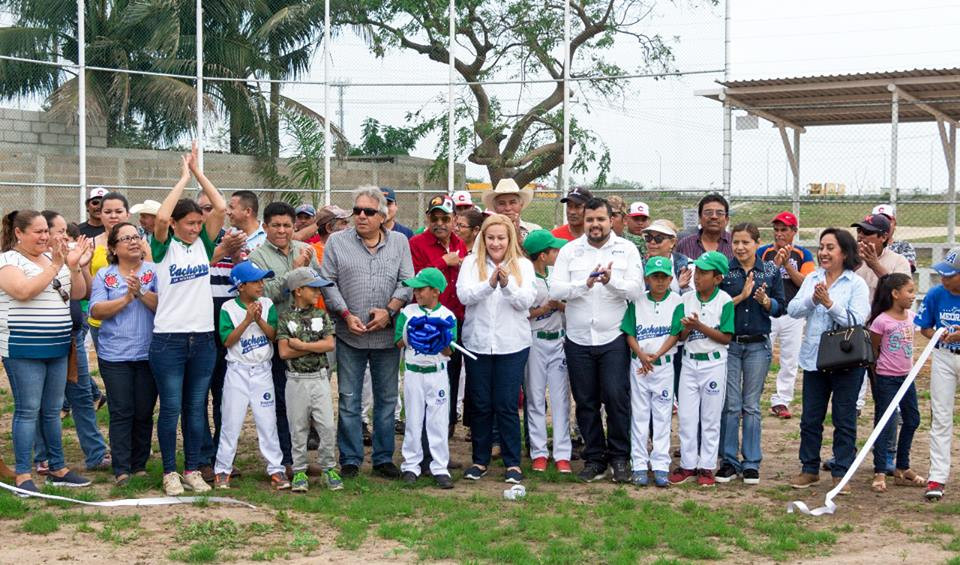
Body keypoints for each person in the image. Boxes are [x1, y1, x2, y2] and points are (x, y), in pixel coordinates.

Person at [320, 185, 414, 479]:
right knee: (349, 398)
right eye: (357, 210)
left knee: (386, 400)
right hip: (350, 335)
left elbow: (408, 282)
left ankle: (384, 458)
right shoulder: (337, 242)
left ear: (383, 216)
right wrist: (346, 315)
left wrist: (390, 310)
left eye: (368, 212)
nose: (361, 216)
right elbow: (327, 282)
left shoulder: (399, 242)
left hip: (387, 337)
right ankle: (349, 458)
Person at [149, 143, 226, 496]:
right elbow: (162, 218)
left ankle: (193, 468)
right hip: (169, 340)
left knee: (196, 407)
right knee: (172, 408)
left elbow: (221, 207)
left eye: (199, 223)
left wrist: (197, 172)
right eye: (190, 223)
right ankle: (169, 472)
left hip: (203, 339)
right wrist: (181, 178)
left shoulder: (203, 246)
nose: (196, 228)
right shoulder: (163, 246)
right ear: (177, 224)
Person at [549, 198, 643, 483]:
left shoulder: (626, 250)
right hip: (578, 338)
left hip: (613, 336)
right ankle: (594, 458)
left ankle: (619, 457)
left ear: (611, 219)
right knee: (585, 401)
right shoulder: (570, 250)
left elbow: (636, 290)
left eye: (600, 219)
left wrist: (611, 281)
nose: (595, 225)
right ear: (584, 221)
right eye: (590, 220)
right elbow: (556, 288)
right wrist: (584, 284)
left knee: (616, 397)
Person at [0, 210, 92, 493]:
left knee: (52, 411)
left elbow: (78, 293)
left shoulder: (55, 260)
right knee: (28, 411)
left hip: (58, 346)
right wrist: (56, 265)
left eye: (46, 231)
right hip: (23, 348)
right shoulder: (8, 261)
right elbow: (23, 291)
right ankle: (23, 476)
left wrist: (74, 267)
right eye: (38, 232)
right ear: (19, 233)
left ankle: (58, 467)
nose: (45, 237)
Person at [457, 214, 537, 484]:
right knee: (480, 403)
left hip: (512, 344)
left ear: (509, 238)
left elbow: (526, 300)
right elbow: (464, 295)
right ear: (483, 238)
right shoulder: (470, 263)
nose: (495, 242)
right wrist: (489, 284)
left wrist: (505, 285)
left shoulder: (523, 266)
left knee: (506, 404)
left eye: (501, 237)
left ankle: (513, 463)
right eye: (490, 237)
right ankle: (479, 460)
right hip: (478, 343)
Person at [788, 228, 870, 494]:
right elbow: (793, 309)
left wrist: (830, 304)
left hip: (846, 360)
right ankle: (809, 468)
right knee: (810, 417)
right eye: (822, 247)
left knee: (844, 418)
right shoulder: (812, 278)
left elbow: (858, 320)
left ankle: (841, 472)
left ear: (844, 253)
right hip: (814, 359)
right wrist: (813, 300)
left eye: (830, 248)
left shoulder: (855, 284)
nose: (823, 252)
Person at [32, 211, 110, 476]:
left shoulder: (67, 259)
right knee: (45, 402)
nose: (65, 235)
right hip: (47, 339)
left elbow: (84, 291)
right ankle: (43, 458)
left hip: (73, 336)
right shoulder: (37, 263)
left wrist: (81, 265)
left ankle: (96, 454)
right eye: (59, 230)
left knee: (82, 398)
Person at [249, 201, 320, 471]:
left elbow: (316, 288)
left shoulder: (306, 250)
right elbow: (265, 294)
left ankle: (302, 459)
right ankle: (286, 460)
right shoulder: (258, 258)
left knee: (306, 403)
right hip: (277, 338)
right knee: (282, 401)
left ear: (295, 226)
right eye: (276, 225)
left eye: (287, 225)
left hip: (307, 337)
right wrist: (294, 273)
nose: (282, 230)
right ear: (265, 227)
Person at [89, 222, 158, 485]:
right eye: (125, 238)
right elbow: (96, 310)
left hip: (149, 354)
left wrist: (140, 292)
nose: (133, 241)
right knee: (121, 410)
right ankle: (121, 468)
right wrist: (126, 298)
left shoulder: (154, 272)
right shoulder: (105, 275)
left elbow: (163, 305)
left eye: (136, 236)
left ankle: (139, 464)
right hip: (114, 354)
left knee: (144, 410)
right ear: (114, 248)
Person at [716, 223, 785, 486]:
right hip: (731, 344)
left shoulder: (769, 270)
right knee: (731, 404)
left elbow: (781, 307)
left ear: (757, 243)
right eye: (736, 243)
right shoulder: (726, 271)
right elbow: (715, 307)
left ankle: (752, 462)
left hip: (758, 345)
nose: (740, 248)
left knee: (751, 405)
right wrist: (741, 296)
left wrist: (767, 302)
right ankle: (729, 460)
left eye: (746, 242)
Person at [207, 190, 266, 475]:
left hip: (257, 325)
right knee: (217, 390)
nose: (227, 212)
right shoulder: (223, 238)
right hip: (219, 316)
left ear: (248, 210)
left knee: (235, 395)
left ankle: (271, 460)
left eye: (232, 207)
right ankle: (215, 458)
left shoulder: (263, 241)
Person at [213, 261, 286, 490]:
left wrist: (259, 319)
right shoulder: (228, 308)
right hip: (237, 370)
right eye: (255, 281)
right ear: (241, 286)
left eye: (262, 280)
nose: (261, 285)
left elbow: (273, 335)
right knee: (231, 421)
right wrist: (246, 320)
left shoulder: (267, 304)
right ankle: (222, 469)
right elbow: (227, 341)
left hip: (262, 370)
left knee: (267, 422)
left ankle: (276, 468)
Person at [669, 251, 734, 487]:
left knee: (710, 417)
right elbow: (680, 336)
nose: (698, 278)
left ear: (717, 278)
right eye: (698, 272)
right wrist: (687, 328)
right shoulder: (685, 299)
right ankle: (688, 464)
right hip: (689, 361)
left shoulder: (724, 300)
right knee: (686, 416)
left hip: (714, 362)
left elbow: (725, 337)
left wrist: (699, 325)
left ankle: (706, 466)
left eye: (705, 274)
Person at [277, 267, 340, 492]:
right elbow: (284, 352)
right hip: (295, 380)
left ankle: (328, 467)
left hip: (319, 378)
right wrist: (315, 348)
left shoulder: (321, 315)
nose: (318, 293)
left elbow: (329, 344)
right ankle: (300, 470)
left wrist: (302, 346)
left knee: (327, 425)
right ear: (298, 290)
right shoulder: (285, 318)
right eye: (313, 289)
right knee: (298, 426)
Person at [621, 256, 682, 488]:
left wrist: (655, 356)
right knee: (639, 415)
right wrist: (642, 354)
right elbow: (629, 332)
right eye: (655, 277)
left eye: (664, 277)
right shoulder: (637, 301)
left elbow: (675, 333)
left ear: (670, 278)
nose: (659, 281)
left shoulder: (677, 301)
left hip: (663, 364)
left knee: (663, 415)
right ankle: (638, 463)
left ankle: (660, 464)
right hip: (639, 365)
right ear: (646, 278)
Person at [410, 196, 467, 442]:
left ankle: (445, 431)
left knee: (452, 375)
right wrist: (444, 262)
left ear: (455, 219)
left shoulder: (459, 242)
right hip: (429, 322)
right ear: (428, 219)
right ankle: (422, 440)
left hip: (458, 318)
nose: (440, 223)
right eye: (435, 218)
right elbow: (417, 277)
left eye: (445, 218)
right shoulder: (417, 243)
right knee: (427, 376)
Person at [395, 268, 457, 489]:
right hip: (413, 373)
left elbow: (450, 351)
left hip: (437, 374)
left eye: (421, 289)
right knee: (413, 419)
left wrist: (440, 338)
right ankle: (411, 465)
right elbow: (398, 343)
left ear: (435, 291)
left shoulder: (447, 316)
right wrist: (413, 332)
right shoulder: (408, 312)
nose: (417, 293)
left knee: (438, 421)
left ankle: (439, 466)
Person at [866, 273, 923, 493]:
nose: (912, 295)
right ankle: (880, 470)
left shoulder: (911, 317)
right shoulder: (881, 321)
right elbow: (874, 350)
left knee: (912, 419)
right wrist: (878, 377)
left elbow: (926, 327)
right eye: (909, 291)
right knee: (885, 422)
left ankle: (902, 467)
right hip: (887, 379)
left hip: (907, 377)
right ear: (895, 293)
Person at [522, 230, 571, 474]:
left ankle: (563, 453)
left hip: (559, 341)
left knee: (561, 399)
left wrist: (560, 306)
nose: (557, 253)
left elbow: (567, 306)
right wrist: (544, 309)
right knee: (535, 396)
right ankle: (539, 452)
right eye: (553, 250)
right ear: (542, 255)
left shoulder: (555, 274)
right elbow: (521, 313)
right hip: (535, 340)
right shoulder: (526, 278)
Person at [852, 213, 911, 416]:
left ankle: (887, 430)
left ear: (884, 236)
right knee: (851, 387)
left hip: (886, 334)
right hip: (856, 331)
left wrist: (874, 264)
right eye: (859, 231)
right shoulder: (851, 259)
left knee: (883, 391)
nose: (861, 236)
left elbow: (902, 293)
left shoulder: (898, 261)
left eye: (868, 232)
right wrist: (856, 263)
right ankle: (854, 410)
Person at [758, 211, 815, 420]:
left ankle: (781, 400)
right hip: (769, 310)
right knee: (762, 355)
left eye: (784, 230)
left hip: (793, 312)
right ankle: (754, 396)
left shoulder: (802, 255)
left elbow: (805, 283)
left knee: (790, 359)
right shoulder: (764, 252)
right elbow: (758, 279)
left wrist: (787, 265)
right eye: (777, 230)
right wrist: (775, 265)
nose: (779, 234)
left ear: (794, 232)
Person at [918, 248, 960, 501]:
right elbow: (924, 327)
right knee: (941, 417)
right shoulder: (936, 295)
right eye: (942, 274)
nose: (943, 279)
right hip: (944, 357)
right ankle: (937, 477)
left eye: (950, 275)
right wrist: (938, 335)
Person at [676, 193, 733, 260]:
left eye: (719, 213)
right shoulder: (685, 244)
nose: (714, 216)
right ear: (700, 217)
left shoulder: (735, 244)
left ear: (727, 219)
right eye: (708, 212)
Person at [643, 220, 692, 294]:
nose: (652, 242)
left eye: (658, 238)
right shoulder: (639, 266)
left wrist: (684, 288)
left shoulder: (688, 265)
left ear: (672, 242)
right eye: (648, 238)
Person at [873, 204, 917, 273]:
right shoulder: (864, 246)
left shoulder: (904, 247)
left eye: (887, 221)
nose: (883, 225)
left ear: (894, 223)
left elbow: (904, 273)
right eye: (878, 222)